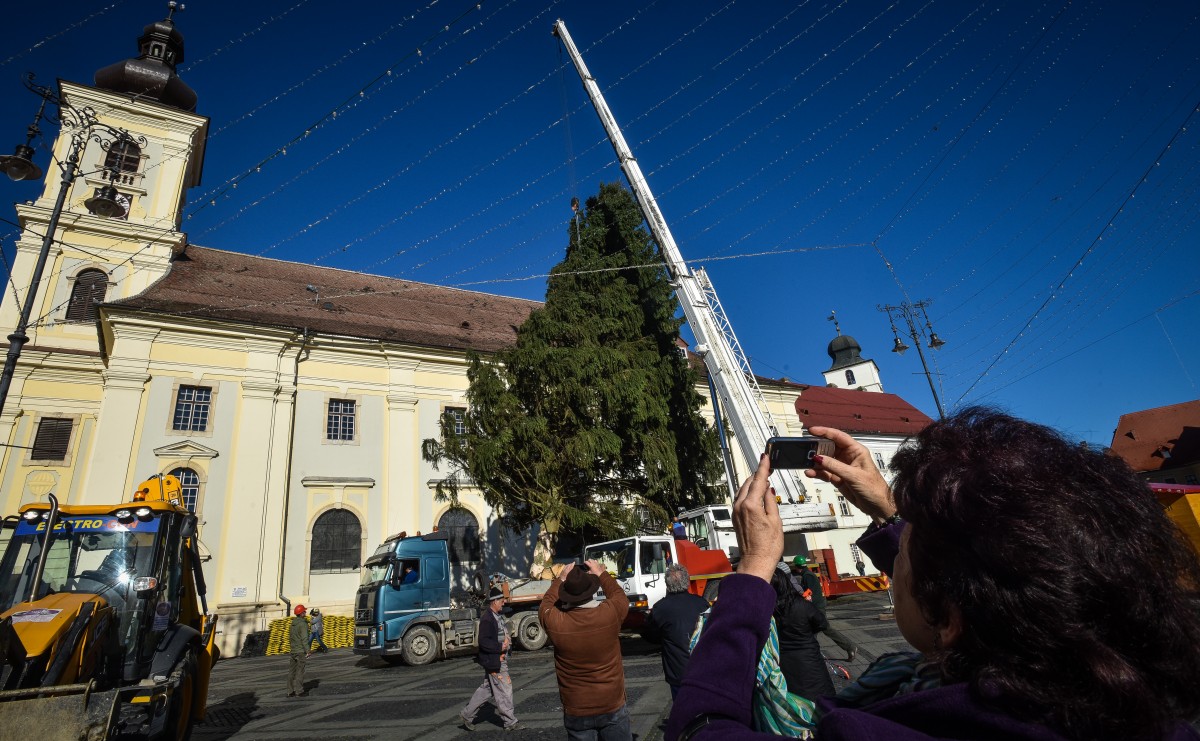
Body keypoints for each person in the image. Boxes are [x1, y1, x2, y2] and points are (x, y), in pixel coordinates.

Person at [667, 407, 1200, 740]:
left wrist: (754, 568)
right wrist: (890, 511)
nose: (895, 559)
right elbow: (986, 570)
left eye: (900, 556)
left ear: (948, 617)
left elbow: (701, 725)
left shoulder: (876, 728)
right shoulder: (1142, 697)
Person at [539, 560, 631, 740]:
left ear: (566, 595)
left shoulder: (556, 622)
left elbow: (545, 605)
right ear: (592, 590)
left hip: (577, 708)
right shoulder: (609, 613)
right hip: (611, 703)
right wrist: (601, 573)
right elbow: (620, 596)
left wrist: (561, 578)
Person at [461, 586, 525, 732]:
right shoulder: (488, 619)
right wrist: (501, 647)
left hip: (496, 660)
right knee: (505, 690)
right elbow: (483, 642)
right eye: (502, 601)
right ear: (495, 601)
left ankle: (467, 714)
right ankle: (510, 722)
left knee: (487, 689)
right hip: (496, 661)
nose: (503, 603)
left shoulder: (495, 616)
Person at [642, 563, 709, 699]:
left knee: (682, 709)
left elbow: (650, 635)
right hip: (702, 668)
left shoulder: (660, 608)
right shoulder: (702, 603)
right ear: (687, 582)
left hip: (678, 671)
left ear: (667, 584)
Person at [769, 568, 834, 703]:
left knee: (795, 697)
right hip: (809, 656)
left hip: (784, 659)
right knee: (822, 698)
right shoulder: (802, 604)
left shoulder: (769, 609)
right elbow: (822, 623)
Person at [787, 554, 857, 662]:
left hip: (817, 607)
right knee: (811, 631)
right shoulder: (806, 574)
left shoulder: (807, 576)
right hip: (815, 606)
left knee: (825, 629)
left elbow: (810, 592)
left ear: (797, 566)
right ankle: (812, 655)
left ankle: (849, 647)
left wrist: (800, 598)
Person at [287, 604, 311, 698]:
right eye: (304, 611)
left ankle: (290, 691)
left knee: (291, 671)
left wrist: (292, 648)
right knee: (300, 671)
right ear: (301, 614)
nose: (305, 612)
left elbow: (290, 638)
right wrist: (308, 651)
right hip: (300, 651)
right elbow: (304, 639)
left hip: (293, 650)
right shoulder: (303, 624)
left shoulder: (292, 624)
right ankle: (299, 691)